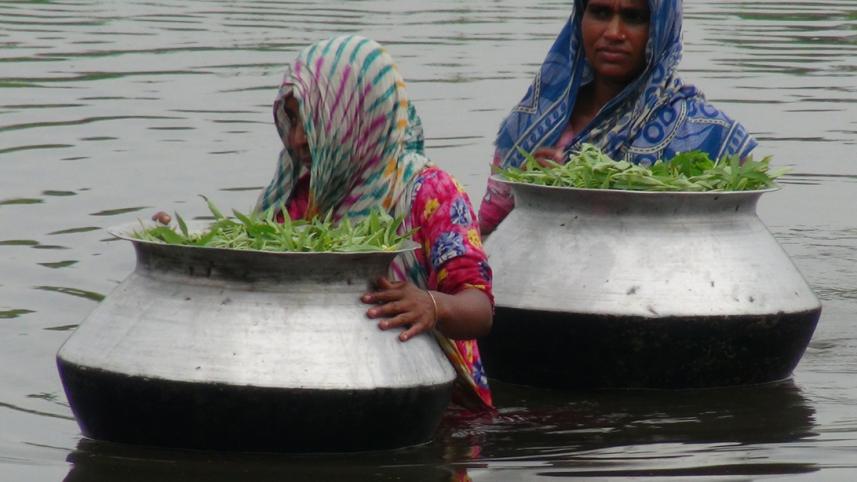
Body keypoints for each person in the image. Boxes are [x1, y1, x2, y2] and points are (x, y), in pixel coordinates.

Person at [254, 35, 494, 410]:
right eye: (294, 120)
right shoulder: (297, 199)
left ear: (354, 115)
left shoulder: (430, 194)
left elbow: (479, 308)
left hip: (434, 405)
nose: (299, 138)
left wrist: (432, 306)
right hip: (324, 391)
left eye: (313, 120)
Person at [479, 0, 758, 235]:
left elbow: (734, 248)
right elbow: (486, 239)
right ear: (580, 18)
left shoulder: (712, 136)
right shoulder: (532, 126)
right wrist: (531, 194)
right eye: (600, 12)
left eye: (633, 17)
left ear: (660, 28)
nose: (613, 32)